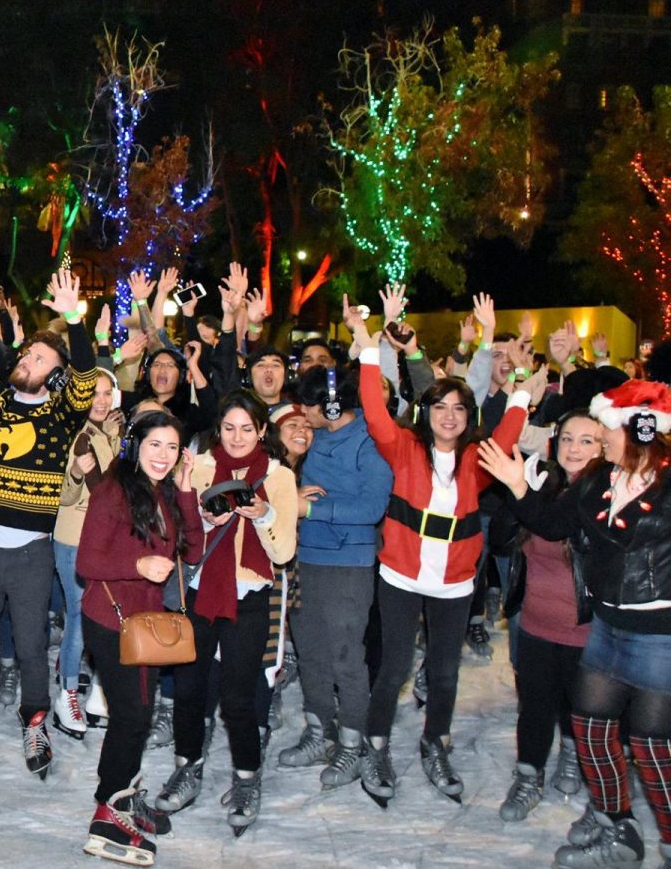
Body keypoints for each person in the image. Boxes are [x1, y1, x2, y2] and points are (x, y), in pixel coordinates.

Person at [346, 295, 533, 808]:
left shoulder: (478, 458)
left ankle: (435, 741)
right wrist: (366, 347)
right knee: (394, 666)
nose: (449, 416)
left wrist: (511, 373)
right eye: (439, 407)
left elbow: (512, 427)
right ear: (425, 412)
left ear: (467, 416)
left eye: (458, 408)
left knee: (445, 670)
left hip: (454, 580)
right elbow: (372, 407)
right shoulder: (403, 446)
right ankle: (376, 743)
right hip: (402, 575)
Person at [479, 380, 671, 869]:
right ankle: (617, 826)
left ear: (641, 429)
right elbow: (551, 524)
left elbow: (629, 541)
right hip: (607, 626)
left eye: (608, 428)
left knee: (651, 747)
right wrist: (517, 484)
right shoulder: (599, 480)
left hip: (657, 634)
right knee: (590, 731)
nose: (602, 438)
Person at [0, 247, 97, 778]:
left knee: (32, 646)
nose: (25, 361)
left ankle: (36, 722)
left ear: (53, 376)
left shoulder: (61, 415)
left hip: (32, 553)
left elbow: (84, 376)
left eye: (37, 359)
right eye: (26, 354)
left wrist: (75, 321)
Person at [155, 390, 298, 835]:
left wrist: (262, 514)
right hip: (199, 594)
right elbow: (173, 532)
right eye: (230, 427)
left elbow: (284, 550)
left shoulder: (278, 477)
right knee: (189, 686)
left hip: (248, 597)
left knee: (240, 695)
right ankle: (187, 766)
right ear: (219, 429)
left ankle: (247, 777)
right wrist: (201, 521)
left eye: (247, 428)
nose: (237, 437)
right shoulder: (195, 468)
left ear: (261, 431)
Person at [76, 411, 202, 865]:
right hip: (111, 620)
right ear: (135, 446)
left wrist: (186, 487)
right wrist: (138, 566)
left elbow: (194, 549)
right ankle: (108, 813)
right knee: (132, 716)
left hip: (143, 621)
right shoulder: (113, 490)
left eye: (172, 447)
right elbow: (87, 562)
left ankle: (119, 796)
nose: (163, 456)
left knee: (139, 713)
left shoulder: (163, 491)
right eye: (154, 445)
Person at [277, 365, 393, 791]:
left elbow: (371, 509)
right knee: (310, 651)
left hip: (349, 562)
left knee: (346, 655)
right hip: (305, 558)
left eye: (307, 404)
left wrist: (314, 511)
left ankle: (350, 741)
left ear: (330, 405)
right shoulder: (317, 436)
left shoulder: (369, 443)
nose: (301, 412)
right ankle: (318, 729)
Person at [489, 410, 601, 823]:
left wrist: (523, 494)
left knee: (582, 706)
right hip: (535, 621)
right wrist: (517, 494)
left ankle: (572, 757)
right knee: (534, 706)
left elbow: (558, 528)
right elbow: (500, 542)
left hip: (587, 629)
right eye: (567, 438)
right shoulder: (540, 482)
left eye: (587, 440)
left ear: (605, 447)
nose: (574, 448)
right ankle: (528, 775)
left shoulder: (605, 493)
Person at [50, 367, 125, 741]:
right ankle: (66, 694)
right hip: (75, 540)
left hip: (102, 542)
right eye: (93, 392)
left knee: (101, 618)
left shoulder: (104, 434)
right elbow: (63, 497)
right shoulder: (75, 435)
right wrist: (78, 476)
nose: (101, 399)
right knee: (80, 620)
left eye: (107, 392)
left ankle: (97, 694)